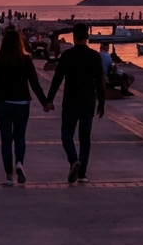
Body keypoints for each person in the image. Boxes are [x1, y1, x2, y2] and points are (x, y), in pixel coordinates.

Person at [44, 23, 106, 184]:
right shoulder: (94, 56)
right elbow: (100, 82)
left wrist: (49, 100)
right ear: (87, 36)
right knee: (85, 138)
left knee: (66, 136)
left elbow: (57, 79)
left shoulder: (67, 56)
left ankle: (74, 160)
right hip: (88, 101)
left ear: (74, 36)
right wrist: (102, 102)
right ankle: (82, 173)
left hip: (71, 101)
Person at [0, 27, 47, 185]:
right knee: (20, 136)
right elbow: (34, 84)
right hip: (21, 103)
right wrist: (45, 102)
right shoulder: (26, 60)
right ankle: (19, 163)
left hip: (3, 103)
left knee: (6, 140)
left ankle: (9, 176)